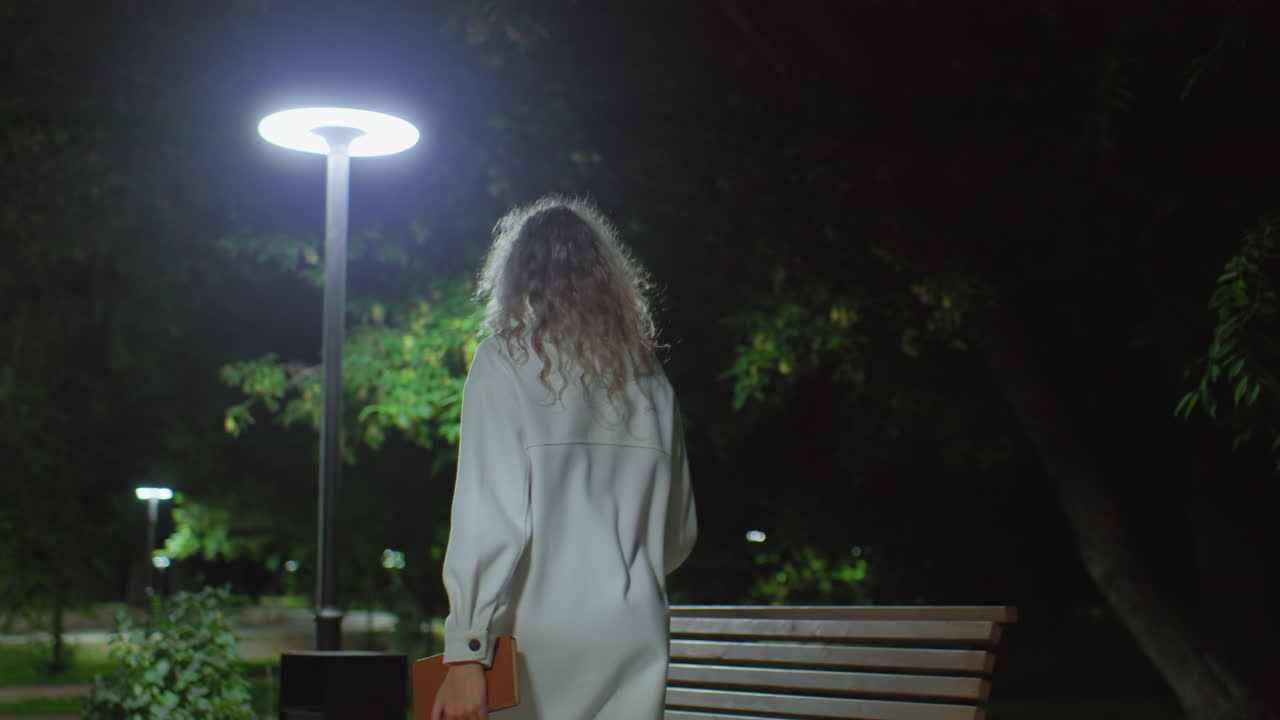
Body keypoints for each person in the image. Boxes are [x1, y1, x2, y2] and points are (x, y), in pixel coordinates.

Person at [431, 196, 698, 720]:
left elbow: (490, 519)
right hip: (635, 630)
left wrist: (466, 651)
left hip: (540, 636)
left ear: (517, 277)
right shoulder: (648, 377)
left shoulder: (504, 361)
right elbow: (679, 533)